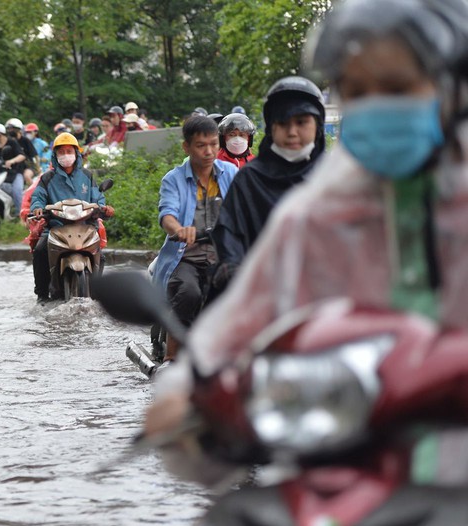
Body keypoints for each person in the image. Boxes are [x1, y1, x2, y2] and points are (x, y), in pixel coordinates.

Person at [144, 0, 468, 448]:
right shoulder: (316, 207)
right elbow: (242, 299)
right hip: (334, 421)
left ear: (450, 90)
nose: (376, 107)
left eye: (396, 87)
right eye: (356, 92)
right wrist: (187, 396)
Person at [211, 78, 326, 295]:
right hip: (260, 295)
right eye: (283, 123)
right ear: (271, 128)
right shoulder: (249, 179)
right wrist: (232, 267)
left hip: (324, 298)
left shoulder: (335, 179)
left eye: (301, 122)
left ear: (318, 125)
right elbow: (229, 231)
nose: (292, 132)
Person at [153, 115, 238, 360]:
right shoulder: (173, 179)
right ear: (186, 147)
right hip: (185, 259)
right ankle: (171, 356)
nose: (209, 151)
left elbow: (245, 206)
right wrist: (179, 229)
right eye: (201, 145)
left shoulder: (231, 172)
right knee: (189, 293)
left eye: (213, 144)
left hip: (223, 256)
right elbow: (166, 214)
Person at [29, 132, 108, 302]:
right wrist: (36, 208)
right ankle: (42, 294)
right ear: (55, 155)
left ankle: (97, 290)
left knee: (100, 255)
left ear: (76, 153)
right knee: (40, 250)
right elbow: (37, 197)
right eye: (61, 152)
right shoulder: (47, 178)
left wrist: (104, 208)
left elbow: (98, 197)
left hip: (86, 225)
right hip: (55, 227)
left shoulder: (87, 176)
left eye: (69, 151)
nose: (66, 155)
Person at [0, 123, 25, 211]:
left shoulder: (12, 142)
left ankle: (21, 214)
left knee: (17, 191)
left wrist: (12, 161)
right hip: (2, 174)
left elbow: (22, 156)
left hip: (16, 172)